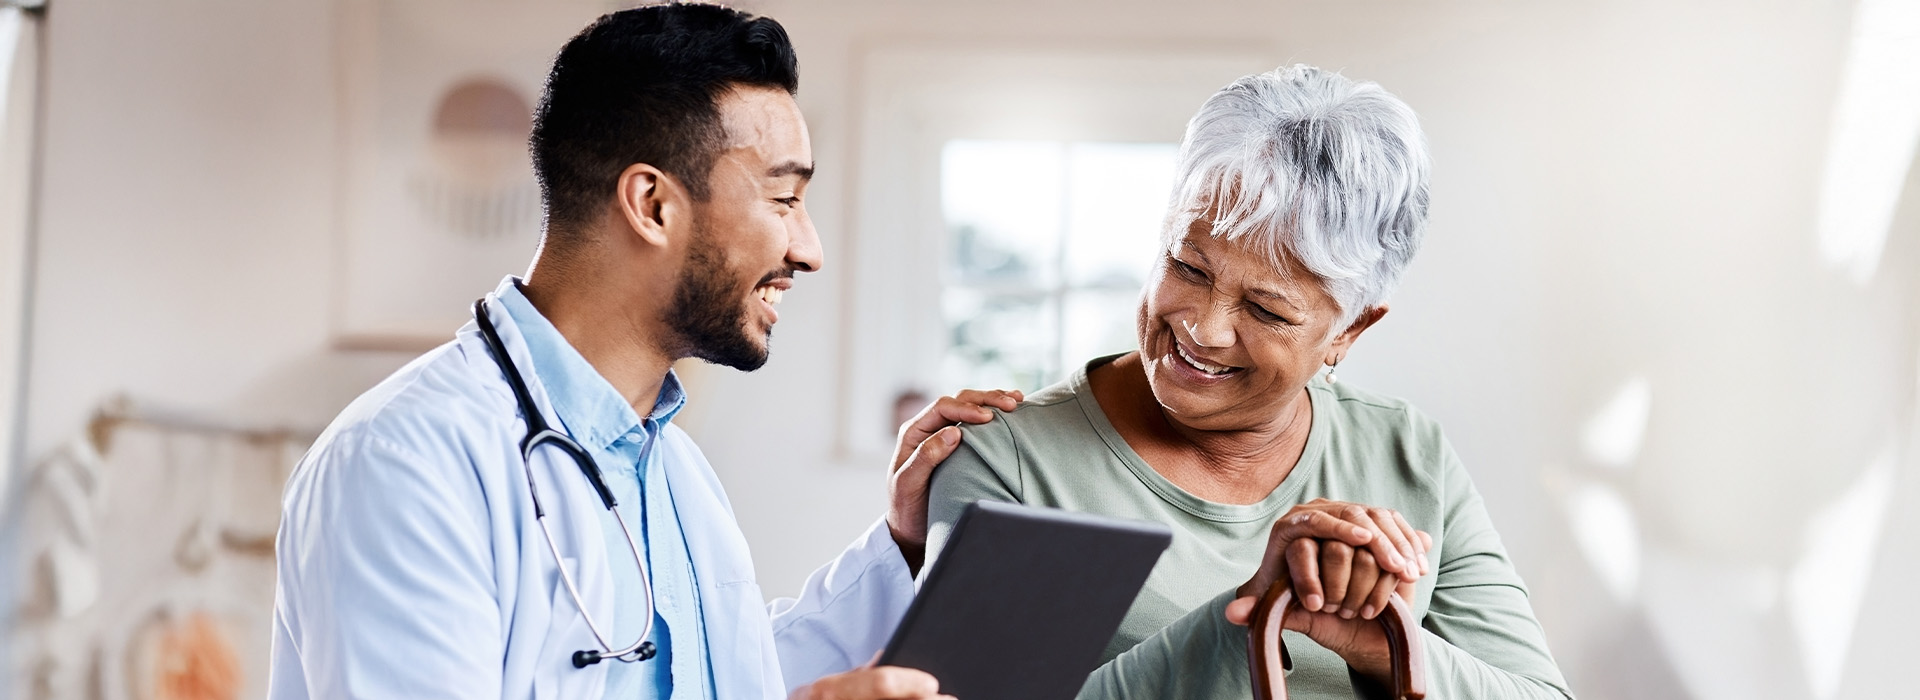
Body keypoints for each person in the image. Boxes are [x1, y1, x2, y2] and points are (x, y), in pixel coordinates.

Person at [268, 6, 1020, 699]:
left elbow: (736, 680)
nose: (809, 250)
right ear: (653, 205)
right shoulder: (406, 462)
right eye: (785, 200)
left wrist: (901, 543)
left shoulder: (674, 470)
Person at [924, 65, 1575, 699]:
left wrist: (1380, 641)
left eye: (1266, 310)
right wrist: (1248, 615)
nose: (1204, 328)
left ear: (1350, 331)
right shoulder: (1009, 459)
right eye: (1188, 266)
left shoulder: (1407, 451)